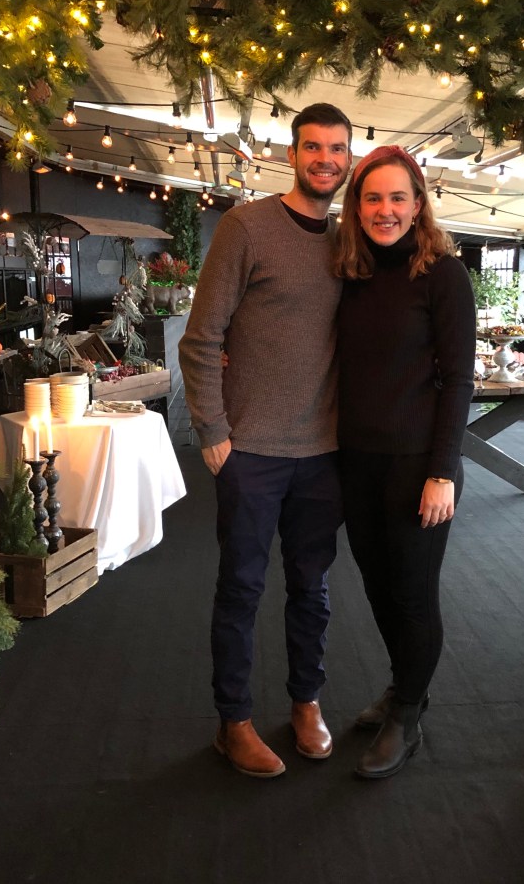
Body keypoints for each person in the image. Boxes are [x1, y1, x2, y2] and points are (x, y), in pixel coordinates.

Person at [178, 103, 352, 778]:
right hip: (249, 451)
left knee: (312, 588)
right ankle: (234, 722)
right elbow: (201, 337)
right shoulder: (246, 226)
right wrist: (213, 432)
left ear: (347, 159)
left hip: (324, 453)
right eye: (313, 147)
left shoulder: (348, 242)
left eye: (336, 149)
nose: (325, 160)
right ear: (290, 154)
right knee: (241, 590)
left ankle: (306, 703)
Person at [334, 144, 476, 779]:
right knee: (377, 586)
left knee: (413, 595)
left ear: (418, 204)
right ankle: (403, 686)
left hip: (420, 466)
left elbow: (459, 381)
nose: (385, 210)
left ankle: (408, 714)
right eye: (372, 198)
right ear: (356, 206)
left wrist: (442, 472)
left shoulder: (444, 275)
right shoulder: (352, 272)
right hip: (357, 462)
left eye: (397, 197)